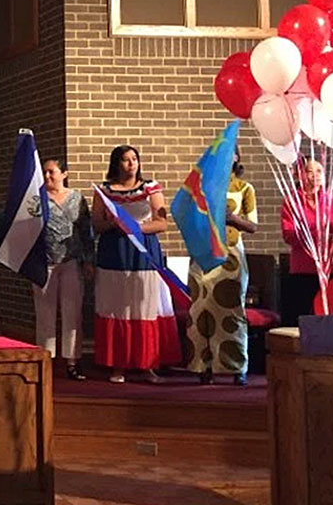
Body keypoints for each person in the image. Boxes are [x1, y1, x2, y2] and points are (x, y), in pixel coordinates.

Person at [93, 145, 179, 384]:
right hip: (114, 253)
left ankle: (147, 364)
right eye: (125, 160)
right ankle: (117, 365)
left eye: (134, 159)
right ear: (116, 163)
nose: (131, 164)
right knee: (117, 306)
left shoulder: (151, 187)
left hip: (143, 252)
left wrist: (136, 227)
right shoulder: (103, 190)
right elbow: (96, 225)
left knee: (144, 306)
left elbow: (161, 223)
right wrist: (113, 224)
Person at [187, 148, 258, 386]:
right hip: (204, 253)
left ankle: (237, 366)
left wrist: (232, 219)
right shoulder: (202, 188)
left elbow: (253, 226)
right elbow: (188, 216)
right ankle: (202, 365)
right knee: (200, 309)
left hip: (230, 255)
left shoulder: (245, 188)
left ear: (237, 158)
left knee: (231, 310)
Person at [33, 158, 93, 380]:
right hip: (44, 262)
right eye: (45, 173)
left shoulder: (77, 199)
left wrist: (89, 260)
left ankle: (72, 361)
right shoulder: (36, 199)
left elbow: (86, 230)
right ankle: (45, 359)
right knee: (45, 313)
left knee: (72, 312)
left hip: (71, 261)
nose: (48, 177)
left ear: (64, 173)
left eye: (52, 172)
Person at [281, 157, 333, 328]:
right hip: (303, 268)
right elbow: (289, 234)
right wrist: (319, 230)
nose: (315, 175)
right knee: (304, 321)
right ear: (300, 175)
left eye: (319, 171)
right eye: (309, 171)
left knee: (331, 321)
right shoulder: (292, 202)